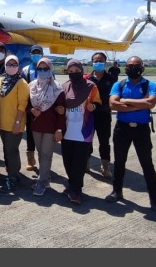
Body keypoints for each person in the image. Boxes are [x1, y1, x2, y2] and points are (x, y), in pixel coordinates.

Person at [105, 56, 156, 210]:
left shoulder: (149, 85)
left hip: (141, 129)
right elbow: (113, 104)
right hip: (122, 128)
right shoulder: (120, 84)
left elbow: (151, 103)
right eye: (129, 65)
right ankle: (117, 191)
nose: (132, 68)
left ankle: (154, 197)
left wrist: (125, 101)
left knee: (147, 163)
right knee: (119, 162)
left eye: (135, 65)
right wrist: (139, 105)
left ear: (142, 68)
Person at [59, 59, 101, 204]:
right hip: (67, 131)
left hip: (84, 132)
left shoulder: (91, 86)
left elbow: (97, 103)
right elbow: (59, 106)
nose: (74, 74)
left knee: (79, 162)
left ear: (82, 71)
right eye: (71, 72)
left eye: (77, 71)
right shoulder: (64, 87)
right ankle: (72, 185)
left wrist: (93, 107)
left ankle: (76, 191)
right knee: (67, 160)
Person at [27, 58, 65, 196]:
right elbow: (26, 106)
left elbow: (62, 111)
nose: (42, 71)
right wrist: (31, 110)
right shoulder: (31, 86)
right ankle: (46, 178)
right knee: (40, 152)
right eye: (40, 69)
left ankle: (42, 183)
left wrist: (59, 129)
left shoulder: (58, 88)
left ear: (51, 70)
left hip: (50, 127)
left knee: (46, 154)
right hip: (36, 126)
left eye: (45, 69)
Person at [0, 54, 29, 192]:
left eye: (14, 64)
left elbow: (22, 105)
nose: (11, 67)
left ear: (18, 66)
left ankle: (13, 177)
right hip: (2, 123)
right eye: (9, 64)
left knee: (11, 150)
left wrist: (17, 122)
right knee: (7, 149)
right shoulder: (0, 80)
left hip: (15, 124)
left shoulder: (21, 83)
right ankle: (14, 173)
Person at [88, 51, 119, 178]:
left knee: (104, 141)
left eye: (101, 60)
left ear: (105, 62)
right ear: (92, 62)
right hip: (89, 115)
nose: (98, 63)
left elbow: (114, 98)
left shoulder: (111, 80)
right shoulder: (87, 79)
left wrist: (104, 107)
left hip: (104, 115)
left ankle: (105, 166)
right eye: (95, 61)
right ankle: (86, 162)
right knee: (87, 140)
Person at [22, 44, 44, 172]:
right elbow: (24, 89)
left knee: (43, 134)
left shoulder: (49, 69)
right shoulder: (25, 70)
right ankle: (30, 158)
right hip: (31, 108)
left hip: (45, 108)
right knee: (30, 133)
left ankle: (43, 159)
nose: (36, 54)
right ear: (30, 54)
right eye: (34, 52)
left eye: (38, 52)